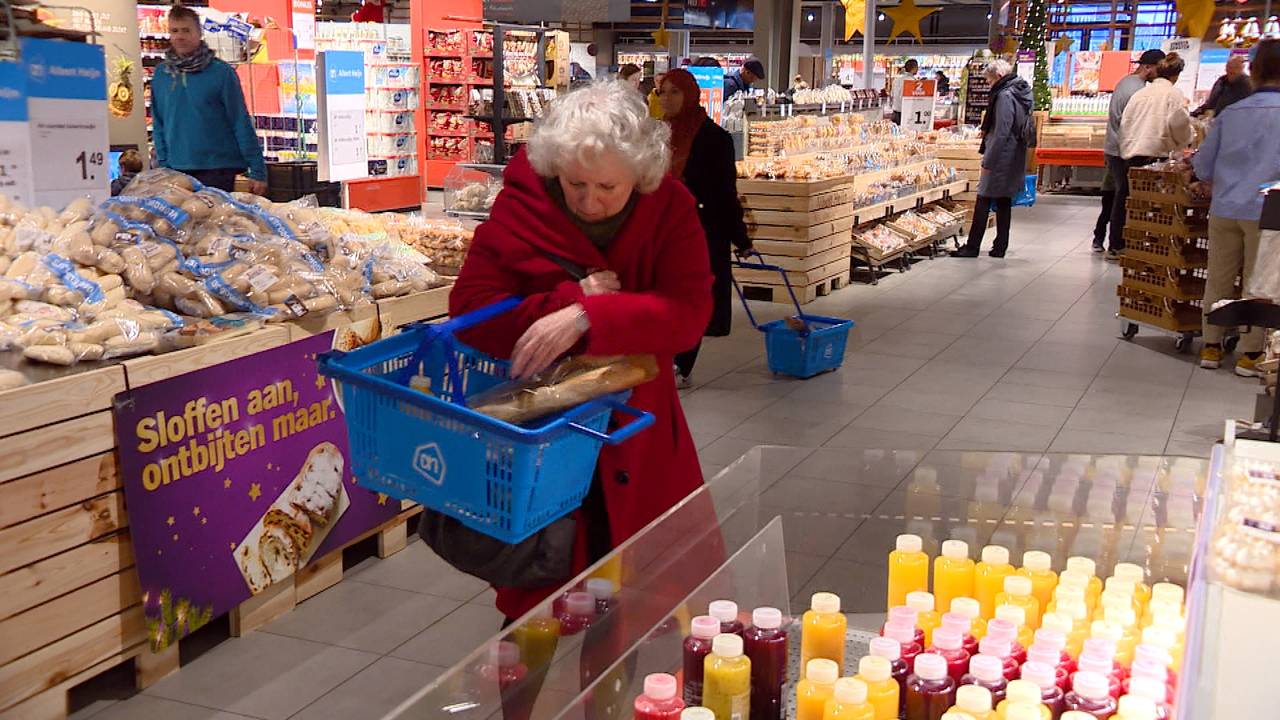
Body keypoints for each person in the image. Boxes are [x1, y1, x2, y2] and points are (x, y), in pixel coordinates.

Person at [446, 80, 713, 622]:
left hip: (638, 429)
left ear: (639, 176)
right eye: (575, 184)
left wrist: (588, 318)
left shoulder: (671, 207)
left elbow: (688, 316)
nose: (590, 202)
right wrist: (568, 299)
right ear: (554, 170)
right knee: (538, 604)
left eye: (607, 188)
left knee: (638, 595)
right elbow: (470, 308)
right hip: (540, 432)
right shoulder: (521, 204)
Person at [1191, 38, 1280, 376]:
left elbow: (1203, 166)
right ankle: (1251, 353)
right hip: (1268, 212)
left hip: (1225, 206)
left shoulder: (1232, 113)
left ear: (1253, 72)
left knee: (1218, 278)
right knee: (1260, 283)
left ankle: (1211, 346)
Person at [658, 69, 751, 387]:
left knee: (690, 297)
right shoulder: (655, 136)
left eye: (674, 92)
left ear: (690, 94)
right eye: (663, 92)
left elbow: (725, 193)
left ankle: (681, 364)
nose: (667, 99)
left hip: (699, 231)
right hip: (660, 230)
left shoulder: (715, 140)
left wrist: (740, 237)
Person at [152, 5, 266, 193]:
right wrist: (164, 165)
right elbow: (159, 124)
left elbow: (240, 120)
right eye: (174, 30)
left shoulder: (221, 73)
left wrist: (257, 169)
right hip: (176, 169)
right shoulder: (161, 74)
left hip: (218, 169)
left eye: (186, 30)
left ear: (199, 33)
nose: (180, 36)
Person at [952, 59, 1032, 259]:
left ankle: (972, 247)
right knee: (1004, 200)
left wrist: (989, 159)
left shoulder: (1005, 96)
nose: (988, 85)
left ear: (998, 76)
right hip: (1014, 153)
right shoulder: (1021, 92)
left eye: (988, 81)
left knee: (983, 198)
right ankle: (1000, 246)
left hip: (1002, 155)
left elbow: (1001, 131)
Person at [1117, 52, 1193, 256]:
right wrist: (1186, 140)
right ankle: (1153, 246)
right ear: (1176, 75)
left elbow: (1125, 123)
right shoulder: (1174, 94)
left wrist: (1127, 146)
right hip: (1157, 155)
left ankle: (1119, 244)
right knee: (1157, 206)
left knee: (1128, 201)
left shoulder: (1141, 93)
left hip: (1132, 153)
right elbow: (1179, 123)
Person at [1098, 48, 1164, 256]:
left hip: (1115, 148)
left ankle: (1104, 239)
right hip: (1122, 150)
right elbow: (1132, 125)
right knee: (1123, 196)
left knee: (1115, 194)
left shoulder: (1127, 82)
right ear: (1147, 67)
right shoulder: (1137, 90)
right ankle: (1117, 244)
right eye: (1158, 68)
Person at [891, 58, 920, 124]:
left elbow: (892, 95)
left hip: (895, 113)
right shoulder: (913, 82)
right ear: (915, 68)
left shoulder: (896, 80)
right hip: (906, 114)